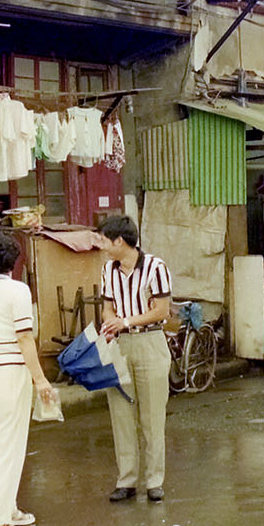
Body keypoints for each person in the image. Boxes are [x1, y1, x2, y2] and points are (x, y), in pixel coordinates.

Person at [0, 233, 59, 526]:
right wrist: (40, 379)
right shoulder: (18, 291)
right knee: (8, 446)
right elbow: (23, 338)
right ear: (14, 261)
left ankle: (7, 509)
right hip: (8, 371)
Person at [97, 214, 172, 503]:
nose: (101, 245)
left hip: (150, 341)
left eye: (104, 240)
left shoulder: (156, 267)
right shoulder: (108, 270)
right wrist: (110, 322)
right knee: (121, 414)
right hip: (119, 344)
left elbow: (162, 310)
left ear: (119, 241)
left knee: (152, 415)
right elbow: (107, 306)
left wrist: (126, 321)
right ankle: (126, 480)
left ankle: (154, 480)